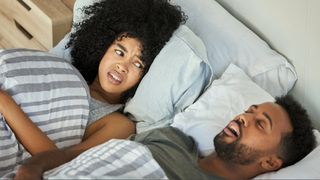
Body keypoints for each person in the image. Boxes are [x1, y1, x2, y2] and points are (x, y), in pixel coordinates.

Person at [0, 0, 186, 174]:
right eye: (119, 52)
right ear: (102, 47)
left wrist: (5, 102)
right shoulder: (63, 74)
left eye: (137, 64)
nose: (123, 66)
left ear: (145, 76)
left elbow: (62, 162)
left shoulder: (119, 124)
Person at [14, 95, 316, 179]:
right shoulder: (169, 137)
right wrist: (31, 169)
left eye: (260, 124)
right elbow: (71, 157)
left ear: (271, 162)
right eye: (249, 110)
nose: (244, 117)